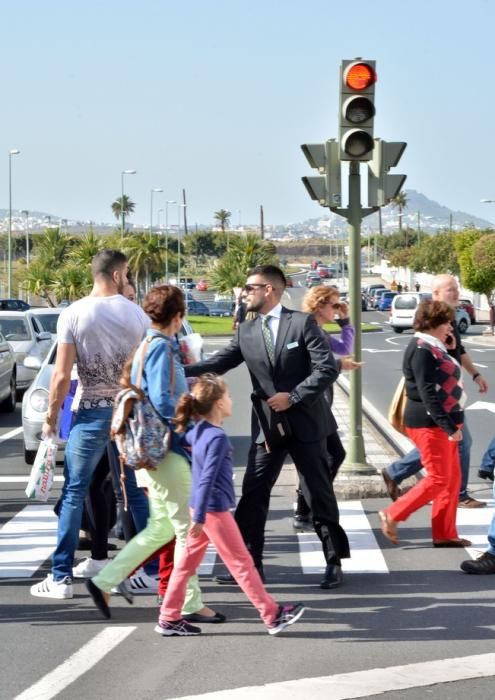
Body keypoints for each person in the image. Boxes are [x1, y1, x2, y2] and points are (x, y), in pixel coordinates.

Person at [185, 265, 350, 590]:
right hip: (267, 428)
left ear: (269, 290)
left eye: (250, 287)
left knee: (318, 494)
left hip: (306, 423)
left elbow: (326, 368)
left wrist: (295, 396)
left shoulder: (301, 323)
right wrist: (176, 367)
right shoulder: (247, 331)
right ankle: (250, 563)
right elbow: (219, 362)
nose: (244, 293)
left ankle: (333, 560)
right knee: (255, 493)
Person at [86, 285, 221, 622]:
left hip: (150, 449)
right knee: (186, 529)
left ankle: (106, 580)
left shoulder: (146, 344)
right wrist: (188, 431)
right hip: (166, 449)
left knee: (161, 527)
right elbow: (161, 399)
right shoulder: (161, 347)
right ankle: (189, 603)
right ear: (178, 316)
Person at [30, 250, 149, 600]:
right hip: (128, 411)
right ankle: (148, 569)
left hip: (92, 409)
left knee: (74, 492)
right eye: (126, 274)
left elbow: (63, 375)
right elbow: (144, 369)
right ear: (117, 274)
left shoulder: (73, 313)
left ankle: (61, 577)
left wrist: (53, 418)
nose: (127, 280)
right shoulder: (137, 314)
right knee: (134, 493)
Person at [155, 374, 305, 636]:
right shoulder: (216, 438)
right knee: (241, 563)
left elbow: (190, 456)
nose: (231, 400)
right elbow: (205, 480)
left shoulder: (197, 432)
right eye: (228, 396)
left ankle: (168, 618)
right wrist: (201, 517)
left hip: (199, 509)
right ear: (217, 404)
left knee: (185, 566)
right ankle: (272, 615)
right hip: (211, 512)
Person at [382, 274, 488, 508]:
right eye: (451, 289)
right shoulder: (431, 327)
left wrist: (476, 374)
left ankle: (395, 472)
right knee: (458, 441)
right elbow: (426, 380)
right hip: (439, 401)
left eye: (456, 288)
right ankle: (457, 494)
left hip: (450, 398)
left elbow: (459, 351)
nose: (457, 293)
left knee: (443, 444)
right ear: (436, 293)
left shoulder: (447, 322)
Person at [379, 299, 471, 548]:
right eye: (447, 323)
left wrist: (451, 350)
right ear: (433, 323)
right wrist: (447, 426)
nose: (450, 327)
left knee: (451, 480)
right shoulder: (421, 348)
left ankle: (444, 533)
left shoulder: (435, 345)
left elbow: (447, 378)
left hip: (446, 421)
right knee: (439, 478)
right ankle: (393, 513)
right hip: (430, 424)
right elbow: (427, 391)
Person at [293, 285, 359, 529]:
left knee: (333, 456)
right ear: (319, 305)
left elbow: (343, 349)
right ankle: (304, 511)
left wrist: (345, 321)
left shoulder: (319, 329)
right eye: (334, 305)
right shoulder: (308, 329)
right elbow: (311, 364)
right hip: (309, 405)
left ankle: (308, 506)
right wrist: (340, 366)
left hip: (320, 404)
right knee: (321, 459)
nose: (337, 308)